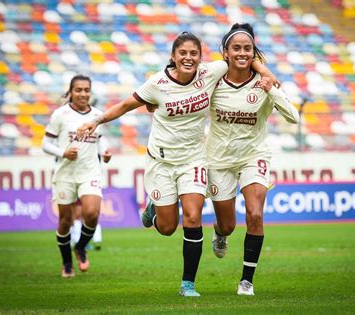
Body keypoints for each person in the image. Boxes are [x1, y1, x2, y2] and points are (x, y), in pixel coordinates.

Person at [77, 31, 278, 296]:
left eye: (194, 53)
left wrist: (264, 70)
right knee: (168, 227)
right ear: (173, 56)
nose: (188, 57)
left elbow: (242, 57)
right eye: (182, 53)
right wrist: (95, 121)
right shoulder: (157, 83)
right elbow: (126, 105)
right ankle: (155, 209)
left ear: (200, 57)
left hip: (194, 159)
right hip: (161, 161)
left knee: (193, 216)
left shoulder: (210, 72)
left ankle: (188, 285)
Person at [206, 23, 299, 295]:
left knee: (255, 215)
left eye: (247, 48)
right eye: (236, 48)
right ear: (225, 53)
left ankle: (246, 281)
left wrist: (271, 88)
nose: (242, 53)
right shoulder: (213, 83)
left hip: (253, 156)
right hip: (219, 160)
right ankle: (220, 232)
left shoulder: (263, 83)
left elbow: (294, 116)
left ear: (254, 53)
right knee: (228, 225)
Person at [42, 74, 112, 278]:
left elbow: (100, 139)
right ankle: (67, 264)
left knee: (92, 213)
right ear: (71, 92)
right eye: (78, 90)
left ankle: (80, 247)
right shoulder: (60, 115)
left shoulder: (98, 115)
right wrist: (62, 153)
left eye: (86, 90)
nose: (83, 94)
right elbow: (45, 144)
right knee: (65, 220)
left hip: (90, 171)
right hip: (65, 173)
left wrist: (105, 152)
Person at [71, 137, 111, 251]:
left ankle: (91, 240)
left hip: (89, 178)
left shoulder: (95, 138)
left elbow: (104, 152)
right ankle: (82, 240)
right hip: (81, 178)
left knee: (88, 213)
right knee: (82, 213)